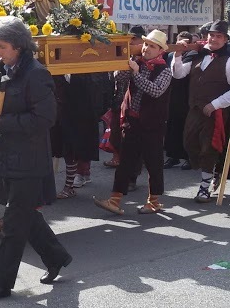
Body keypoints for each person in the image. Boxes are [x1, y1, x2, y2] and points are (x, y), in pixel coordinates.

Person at [0, 17, 72, 301]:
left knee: (13, 223)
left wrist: (2, 126)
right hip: (8, 158)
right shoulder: (5, 71)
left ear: (19, 46)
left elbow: (45, 119)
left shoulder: (37, 74)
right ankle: (56, 256)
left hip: (30, 161)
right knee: (25, 215)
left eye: (2, 46)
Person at [94, 29, 172, 216]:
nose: (146, 48)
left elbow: (155, 90)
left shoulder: (165, 70)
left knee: (154, 163)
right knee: (125, 162)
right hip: (131, 122)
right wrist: (123, 65)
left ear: (160, 50)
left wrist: (136, 74)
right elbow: (118, 79)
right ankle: (114, 200)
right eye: (145, 44)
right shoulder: (137, 63)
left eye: (152, 46)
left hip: (153, 125)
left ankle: (153, 201)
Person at [171, 20, 230, 203]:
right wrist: (178, 54)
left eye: (219, 36)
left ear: (226, 39)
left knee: (209, 148)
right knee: (189, 143)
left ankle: (204, 188)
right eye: (212, 35)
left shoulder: (228, 59)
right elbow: (178, 74)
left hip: (217, 112)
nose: (214, 39)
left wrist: (215, 104)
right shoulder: (198, 54)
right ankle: (214, 170)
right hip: (195, 109)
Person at [103, 25, 146, 182]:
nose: (132, 41)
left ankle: (132, 176)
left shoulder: (144, 60)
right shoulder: (123, 54)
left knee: (131, 143)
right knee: (116, 138)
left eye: (135, 38)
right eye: (130, 38)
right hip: (118, 102)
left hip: (134, 105)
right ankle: (124, 170)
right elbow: (115, 78)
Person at [164, 32, 193, 169]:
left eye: (184, 42)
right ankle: (173, 156)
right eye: (179, 42)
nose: (181, 45)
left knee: (186, 127)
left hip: (187, 95)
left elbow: (180, 74)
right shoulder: (170, 55)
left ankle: (189, 157)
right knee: (172, 126)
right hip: (172, 94)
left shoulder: (192, 55)